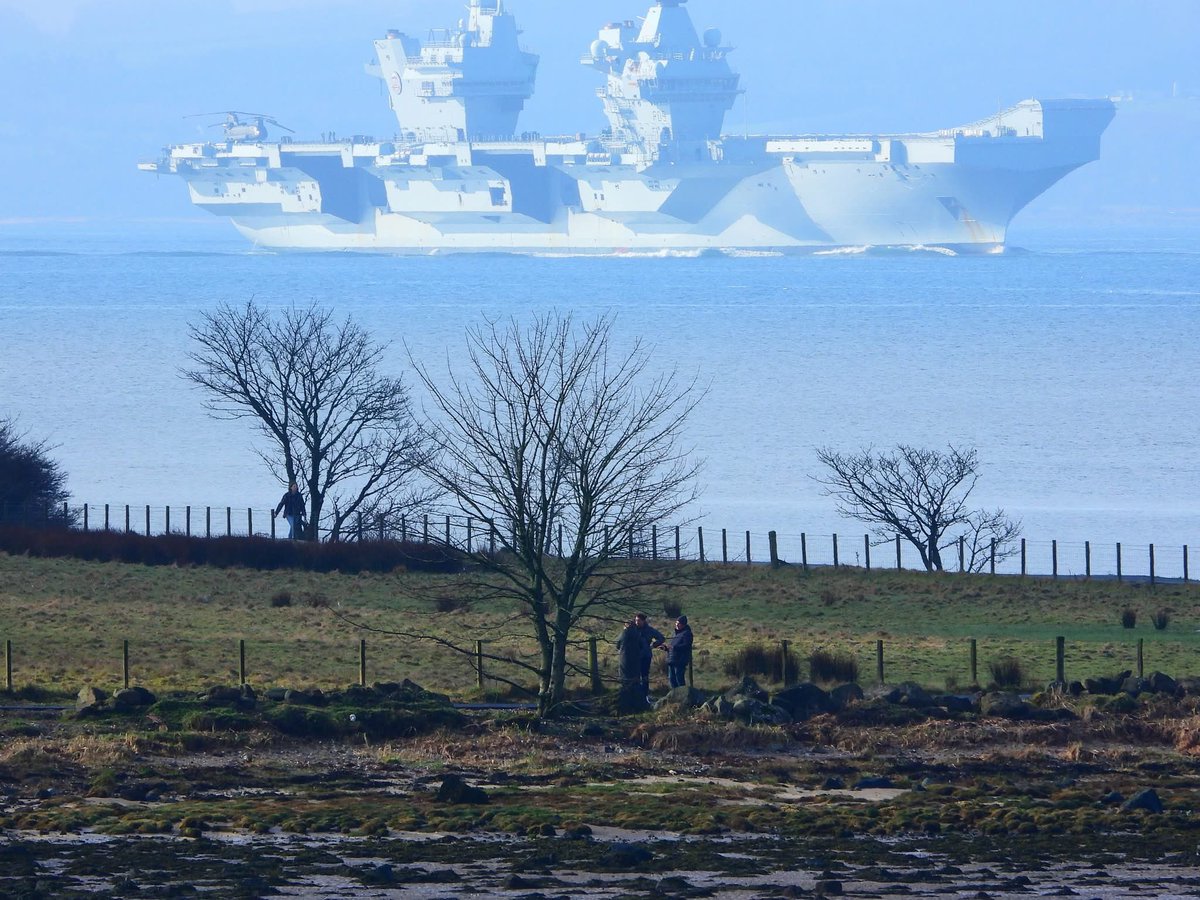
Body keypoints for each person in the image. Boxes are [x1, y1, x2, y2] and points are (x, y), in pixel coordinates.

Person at [660, 615, 693, 689]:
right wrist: (666, 648)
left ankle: (683, 696)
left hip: (680, 660)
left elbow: (687, 646)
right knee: (672, 679)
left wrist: (674, 647)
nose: (677, 624)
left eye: (679, 623)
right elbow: (672, 646)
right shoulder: (675, 634)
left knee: (679, 679)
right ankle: (675, 696)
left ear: (683, 624)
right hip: (672, 659)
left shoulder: (687, 634)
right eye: (676, 623)